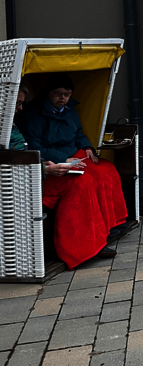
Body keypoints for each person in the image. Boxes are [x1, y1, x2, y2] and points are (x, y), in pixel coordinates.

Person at [16, 76, 126, 269]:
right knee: (85, 180)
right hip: (53, 159)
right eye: (58, 94)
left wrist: (87, 147)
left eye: (67, 94)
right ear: (48, 93)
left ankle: (111, 224)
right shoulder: (32, 113)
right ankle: (85, 244)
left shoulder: (70, 109)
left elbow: (79, 133)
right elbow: (34, 148)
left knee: (106, 169)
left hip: (73, 154)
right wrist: (62, 159)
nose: (63, 98)